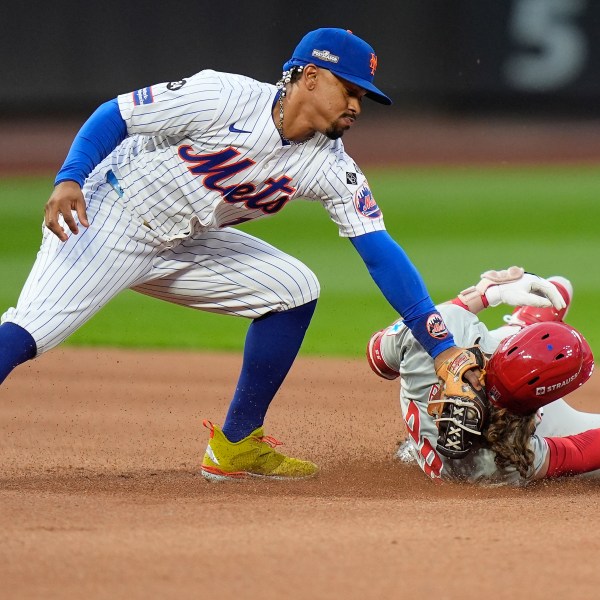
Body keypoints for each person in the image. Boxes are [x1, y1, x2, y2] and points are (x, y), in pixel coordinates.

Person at [0, 28, 562, 482]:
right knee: (30, 333)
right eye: (350, 90)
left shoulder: (331, 165)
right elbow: (116, 115)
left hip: (187, 240)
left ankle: (237, 444)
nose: (357, 106)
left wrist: (441, 347)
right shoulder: (222, 95)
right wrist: (70, 177)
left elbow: (379, 253)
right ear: (310, 77)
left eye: (363, 97)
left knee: (293, 290)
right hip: (108, 217)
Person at [367, 268, 600, 485]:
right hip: (534, 419)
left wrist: (481, 296)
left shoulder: (439, 333)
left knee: (556, 288)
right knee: (557, 287)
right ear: (542, 404)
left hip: (474, 358)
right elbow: (576, 452)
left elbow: (378, 359)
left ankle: (523, 325)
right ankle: (525, 324)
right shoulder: (512, 460)